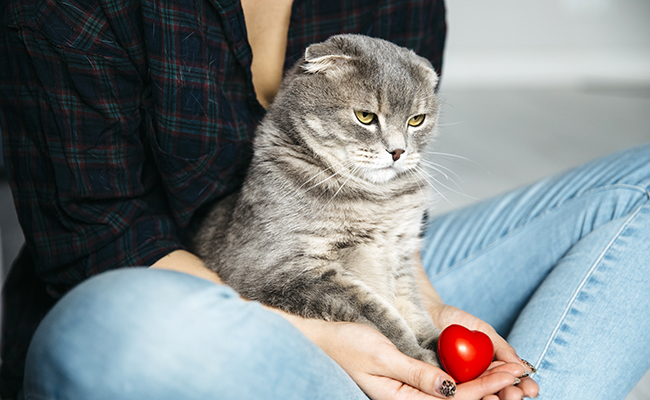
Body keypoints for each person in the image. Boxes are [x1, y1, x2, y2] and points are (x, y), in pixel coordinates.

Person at [0, 0, 648, 399]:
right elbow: (100, 238)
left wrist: (430, 315)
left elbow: (395, 206)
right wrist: (333, 341)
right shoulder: (68, 9)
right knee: (122, 332)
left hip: (358, 268)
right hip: (200, 298)